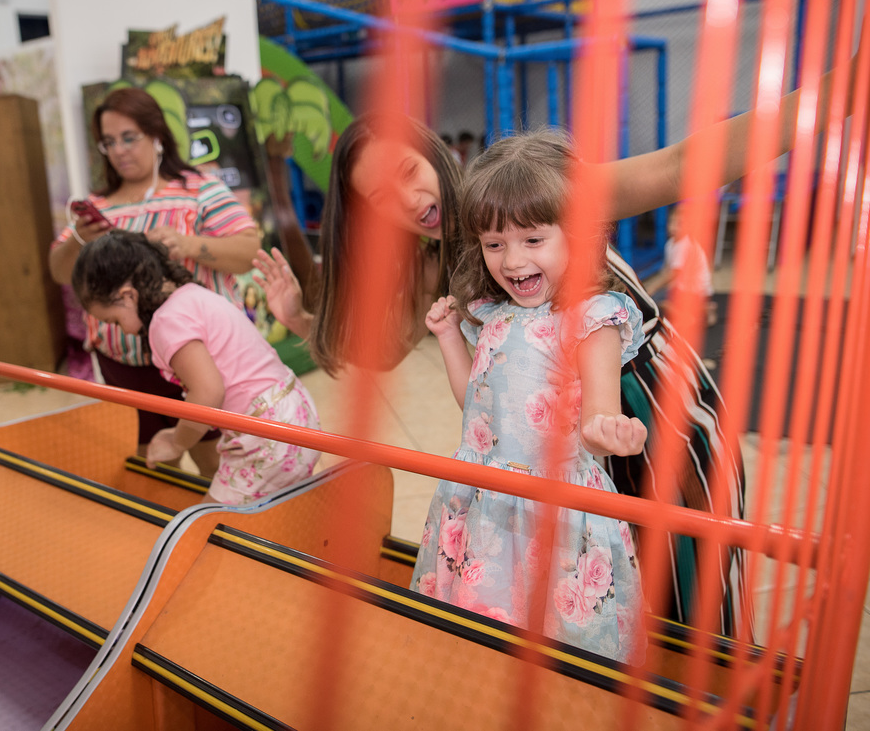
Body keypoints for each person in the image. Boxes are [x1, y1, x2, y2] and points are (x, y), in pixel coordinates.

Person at [254, 75, 849, 637]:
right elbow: (382, 348)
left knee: (688, 594)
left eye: (410, 170)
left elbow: (677, 166)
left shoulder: (542, 189)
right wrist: (301, 321)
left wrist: (834, 96)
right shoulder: (435, 270)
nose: (409, 199)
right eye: (380, 196)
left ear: (431, 152)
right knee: (602, 610)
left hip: (648, 410)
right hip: (556, 459)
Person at [413, 129, 646, 664]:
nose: (512, 261)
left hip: (555, 509)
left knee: (558, 646)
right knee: (483, 639)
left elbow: (597, 422)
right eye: (494, 245)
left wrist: (610, 431)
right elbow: (477, 411)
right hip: (481, 495)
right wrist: (450, 338)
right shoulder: (495, 316)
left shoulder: (592, 320)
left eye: (532, 240)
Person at [49, 87, 260, 476]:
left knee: (218, 465)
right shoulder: (99, 205)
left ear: (157, 135)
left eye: (130, 137)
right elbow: (60, 272)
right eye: (108, 142)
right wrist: (79, 238)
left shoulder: (200, 190)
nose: (120, 151)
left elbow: (250, 249)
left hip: (198, 365)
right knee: (150, 467)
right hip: (124, 367)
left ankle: (223, 534)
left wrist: (190, 245)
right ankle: (166, 535)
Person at [72, 231, 322, 505]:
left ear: (128, 296)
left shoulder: (165, 322)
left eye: (115, 321)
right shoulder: (192, 293)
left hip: (265, 436)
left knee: (209, 528)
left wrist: (177, 443)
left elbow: (207, 392)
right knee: (278, 509)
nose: (121, 330)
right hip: (294, 411)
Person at [643, 203, 719, 327]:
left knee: (659, 303)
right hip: (685, 289)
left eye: (679, 224)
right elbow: (666, 269)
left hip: (694, 291)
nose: (673, 227)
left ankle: (690, 316)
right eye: (671, 222)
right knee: (659, 297)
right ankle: (705, 308)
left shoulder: (685, 246)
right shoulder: (671, 243)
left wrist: (653, 287)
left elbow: (672, 273)